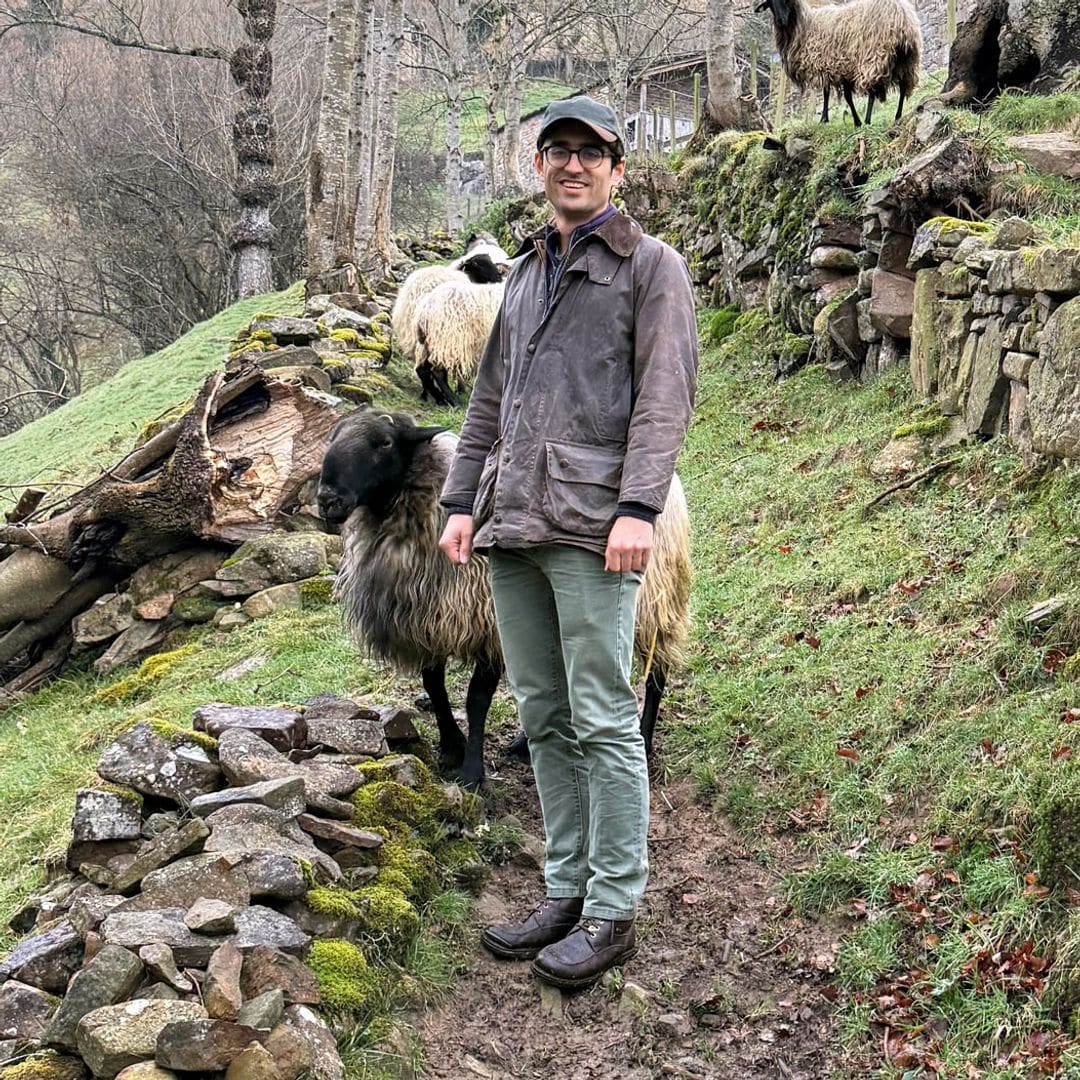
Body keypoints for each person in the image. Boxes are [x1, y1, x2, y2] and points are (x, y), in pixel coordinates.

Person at [437, 95, 698, 989]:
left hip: (594, 528)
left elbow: (664, 400)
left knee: (602, 714)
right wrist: (459, 500)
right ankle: (565, 887)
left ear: (617, 170)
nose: (573, 166)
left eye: (591, 153)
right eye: (558, 152)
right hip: (511, 524)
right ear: (538, 166)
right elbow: (487, 402)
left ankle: (613, 907)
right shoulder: (522, 276)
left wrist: (639, 509)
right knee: (541, 713)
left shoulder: (651, 268)